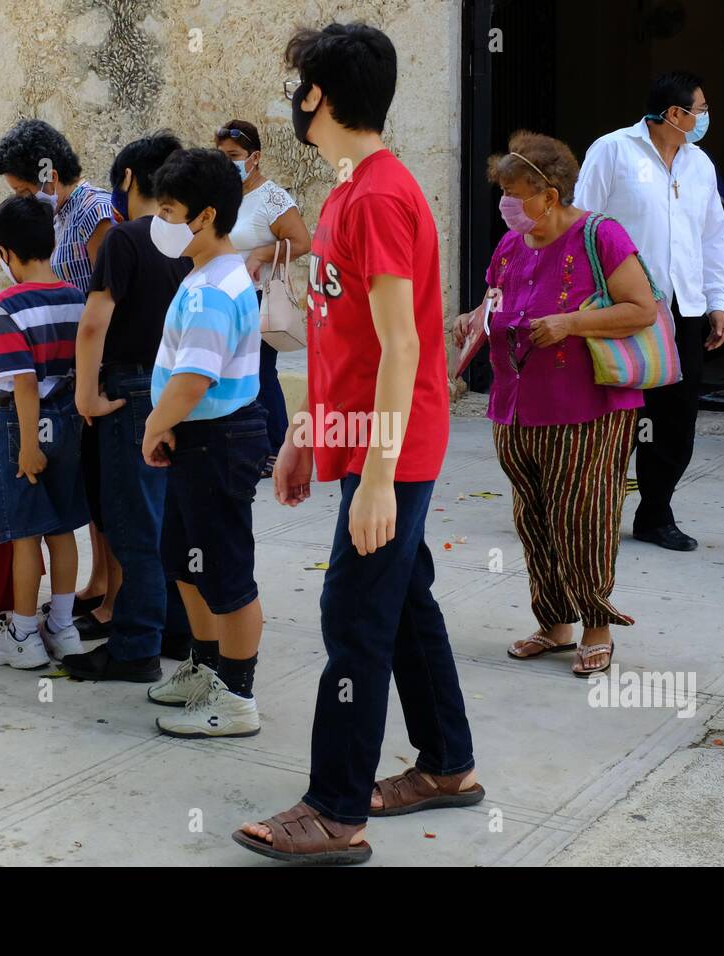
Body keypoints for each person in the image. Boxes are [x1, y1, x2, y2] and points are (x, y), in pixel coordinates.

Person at [236, 23, 480, 866]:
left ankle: (336, 809)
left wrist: (376, 480)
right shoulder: (347, 189)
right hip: (363, 433)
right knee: (404, 599)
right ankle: (448, 764)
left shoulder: (376, 196)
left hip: (395, 445)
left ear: (321, 99)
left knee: (355, 615)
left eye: (298, 85)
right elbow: (347, 343)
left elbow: (404, 349)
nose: (292, 100)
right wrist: (307, 430)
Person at [456, 131, 656, 676]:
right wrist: (472, 319)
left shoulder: (601, 235)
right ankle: (553, 622)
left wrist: (570, 323)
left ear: (550, 191)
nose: (507, 204)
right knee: (534, 517)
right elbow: (495, 301)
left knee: (583, 515)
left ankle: (596, 626)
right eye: (503, 192)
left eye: (517, 193)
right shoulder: (510, 245)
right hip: (516, 403)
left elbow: (642, 308)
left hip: (586, 406)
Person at [136, 147, 269, 736]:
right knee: (184, 561)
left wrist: (153, 424)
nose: (159, 224)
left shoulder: (214, 286)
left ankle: (236, 696)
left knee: (226, 572)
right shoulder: (203, 274)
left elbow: (194, 378)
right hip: (198, 437)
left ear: (206, 214)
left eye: (169, 211)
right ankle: (206, 665)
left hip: (217, 439)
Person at [573, 71, 724, 552]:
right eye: (700, 109)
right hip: (623, 308)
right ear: (674, 115)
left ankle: (655, 514)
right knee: (611, 415)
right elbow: (583, 221)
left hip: (682, 309)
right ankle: (588, 512)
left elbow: (712, 234)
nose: (705, 117)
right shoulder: (613, 150)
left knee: (677, 420)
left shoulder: (700, 164)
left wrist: (718, 300)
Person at [66, 131, 193, 682]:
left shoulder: (125, 239)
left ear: (127, 180)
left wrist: (85, 391)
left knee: (132, 520)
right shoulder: (195, 243)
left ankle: (136, 645)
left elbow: (95, 320)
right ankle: (174, 630)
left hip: (130, 389)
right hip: (180, 386)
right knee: (169, 516)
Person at [0, 119, 117, 638]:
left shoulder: (93, 212)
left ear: (49, 173)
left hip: (85, 380)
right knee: (73, 510)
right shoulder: (57, 223)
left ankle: (36, 626)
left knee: (60, 514)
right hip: (70, 382)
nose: (23, 199)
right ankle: (78, 603)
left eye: (23, 189)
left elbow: (110, 294)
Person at [0, 196, 89, 669]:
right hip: (68, 420)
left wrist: (24, 446)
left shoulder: (5, 306)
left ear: (5, 253)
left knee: (26, 534)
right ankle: (62, 626)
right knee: (62, 530)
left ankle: (21, 633)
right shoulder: (75, 297)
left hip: (22, 426)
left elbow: (22, 382)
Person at [215, 120, 313, 475]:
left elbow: (302, 242)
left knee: (260, 372)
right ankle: (249, 445)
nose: (228, 163)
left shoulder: (272, 197)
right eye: (222, 156)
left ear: (254, 157)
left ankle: (275, 447)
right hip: (225, 298)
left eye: (235, 156)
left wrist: (260, 254)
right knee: (234, 373)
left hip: (258, 298)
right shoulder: (222, 195)